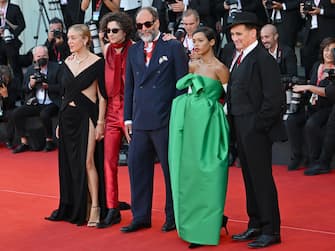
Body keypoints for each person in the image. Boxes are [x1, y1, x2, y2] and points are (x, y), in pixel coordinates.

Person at [121, 6, 188, 233]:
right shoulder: (133, 50)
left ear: (157, 23)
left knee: (171, 172)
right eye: (139, 26)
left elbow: (181, 85)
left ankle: (173, 215)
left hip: (165, 119)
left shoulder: (173, 47)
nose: (143, 29)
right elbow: (129, 86)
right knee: (136, 168)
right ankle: (140, 216)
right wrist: (128, 118)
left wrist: (178, 119)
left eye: (147, 24)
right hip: (139, 121)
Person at [227, 12, 286, 248]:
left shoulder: (263, 59)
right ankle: (256, 223)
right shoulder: (239, 57)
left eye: (239, 34)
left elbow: (273, 99)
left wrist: (257, 126)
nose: (235, 38)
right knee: (249, 178)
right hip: (240, 125)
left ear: (253, 33)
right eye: (232, 34)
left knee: (261, 179)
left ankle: (271, 229)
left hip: (256, 129)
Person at [169, 26, 230, 249]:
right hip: (190, 125)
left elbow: (227, 101)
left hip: (211, 126)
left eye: (200, 40)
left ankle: (210, 223)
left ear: (212, 42)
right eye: (193, 40)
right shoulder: (192, 65)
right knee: (191, 176)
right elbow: (189, 94)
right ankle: (193, 225)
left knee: (210, 176)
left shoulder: (221, 69)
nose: (195, 44)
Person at [45, 24, 107, 227]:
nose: (69, 41)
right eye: (68, 38)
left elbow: (102, 96)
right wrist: (60, 120)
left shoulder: (98, 63)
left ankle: (96, 206)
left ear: (85, 40)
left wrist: (100, 122)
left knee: (88, 161)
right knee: (70, 163)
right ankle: (76, 204)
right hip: (67, 116)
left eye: (73, 38)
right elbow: (64, 93)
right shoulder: (67, 63)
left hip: (86, 115)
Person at [95, 11, 133, 229]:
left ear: (125, 31)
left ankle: (141, 210)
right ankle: (112, 209)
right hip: (110, 111)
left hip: (131, 111)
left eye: (115, 30)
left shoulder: (135, 49)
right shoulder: (107, 49)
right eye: (107, 31)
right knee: (109, 163)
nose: (110, 34)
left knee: (137, 163)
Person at [286, 37, 335, 171]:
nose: (328, 53)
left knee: (311, 124)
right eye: (326, 49)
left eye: (332, 50)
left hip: (327, 107)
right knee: (291, 121)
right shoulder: (316, 65)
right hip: (311, 104)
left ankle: (314, 159)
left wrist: (308, 87)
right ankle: (297, 156)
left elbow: (329, 93)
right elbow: (310, 85)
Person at [11, 46, 61, 153]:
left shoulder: (57, 68)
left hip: (52, 101)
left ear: (48, 56)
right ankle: (24, 141)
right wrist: (31, 84)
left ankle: (49, 141)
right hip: (36, 102)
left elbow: (63, 87)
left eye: (44, 56)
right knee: (16, 113)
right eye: (38, 56)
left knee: (45, 114)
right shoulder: (30, 69)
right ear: (34, 58)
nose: (41, 58)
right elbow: (23, 89)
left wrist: (48, 86)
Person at [0, 0, 25, 83]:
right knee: (1, 67)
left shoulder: (14, 8)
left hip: (11, 42)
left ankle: (20, 89)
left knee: (15, 67)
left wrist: (13, 34)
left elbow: (22, 25)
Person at [0, 64, 18, 148]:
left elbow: (11, 105)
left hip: (7, 110)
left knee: (12, 114)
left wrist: (5, 96)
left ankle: (9, 140)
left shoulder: (13, 85)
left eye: (5, 77)